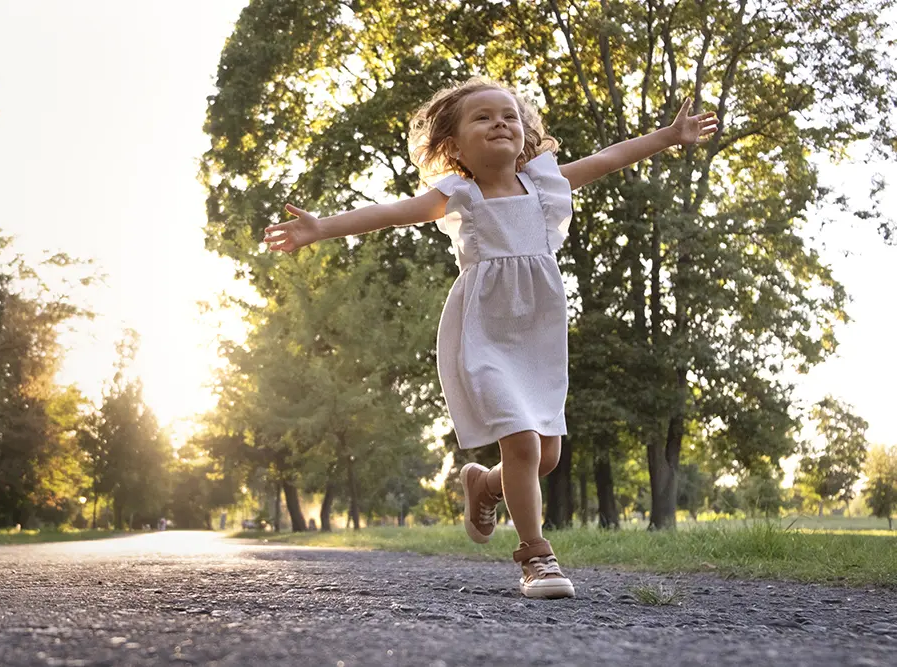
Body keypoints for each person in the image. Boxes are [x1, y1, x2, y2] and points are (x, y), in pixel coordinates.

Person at [263, 77, 717, 599]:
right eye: (482, 117)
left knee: (545, 457)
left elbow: (607, 159)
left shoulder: (544, 184)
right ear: (454, 147)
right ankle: (536, 556)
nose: (499, 122)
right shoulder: (460, 196)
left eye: (508, 115)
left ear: (523, 135)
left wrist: (668, 136)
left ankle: (482, 484)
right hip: (484, 333)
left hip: (539, 337)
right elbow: (389, 213)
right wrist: (321, 228)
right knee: (522, 443)